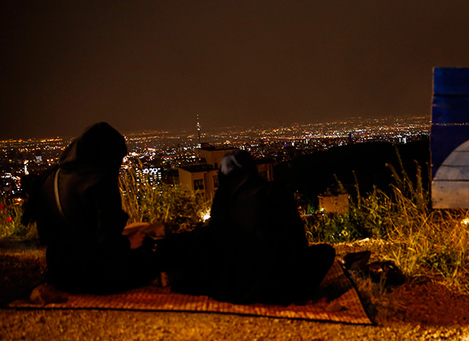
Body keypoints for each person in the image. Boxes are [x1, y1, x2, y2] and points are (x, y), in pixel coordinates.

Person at [183, 149, 334, 305]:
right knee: (325, 252)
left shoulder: (222, 198)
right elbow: (298, 241)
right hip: (278, 289)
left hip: (234, 289)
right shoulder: (277, 192)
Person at [22, 122, 158, 294]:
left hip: (59, 274)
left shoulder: (50, 177)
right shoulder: (99, 183)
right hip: (94, 277)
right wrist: (129, 242)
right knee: (160, 257)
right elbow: (105, 245)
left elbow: (58, 235)